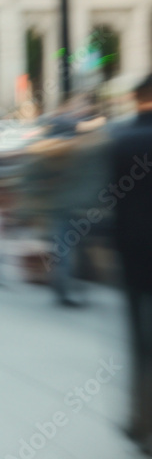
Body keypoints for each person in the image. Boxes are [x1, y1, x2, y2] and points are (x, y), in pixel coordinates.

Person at [112, 74, 152, 456]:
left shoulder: (122, 141)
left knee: (140, 345)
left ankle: (141, 423)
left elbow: (113, 200)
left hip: (134, 256)